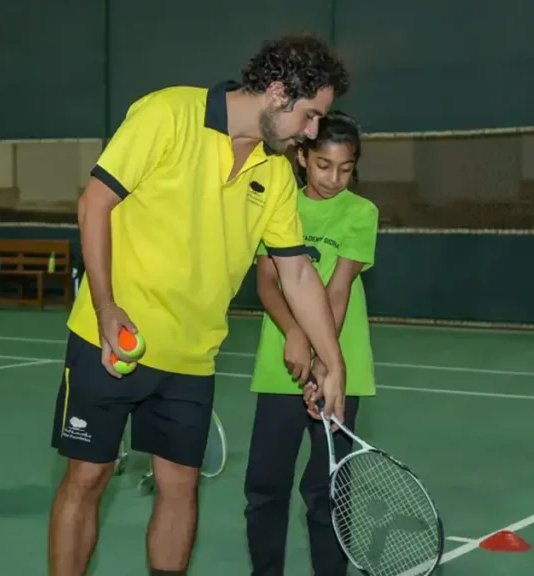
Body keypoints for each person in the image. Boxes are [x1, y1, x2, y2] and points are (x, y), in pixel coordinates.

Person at [48, 34, 351, 576]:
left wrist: (334, 361)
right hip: (113, 338)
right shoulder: (168, 113)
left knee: (180, 486)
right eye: (310, 116)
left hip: (192, 357)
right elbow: (95, 201)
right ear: (278, 93)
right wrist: (105, 305)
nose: (312, 132)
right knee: (87, 477)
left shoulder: (277, 173)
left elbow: (297, 272)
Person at [244, 111, 379, 576]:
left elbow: (337, 291)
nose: (334, 178)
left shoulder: (361, 213)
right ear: (301, 156)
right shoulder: (278, 203)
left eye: (345, 168)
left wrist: (325, 361)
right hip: (279, 366)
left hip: (342, 368)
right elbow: (267, 283)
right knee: (264, 488)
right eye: (323, 165)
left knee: (327, 491)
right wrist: (297, 335)